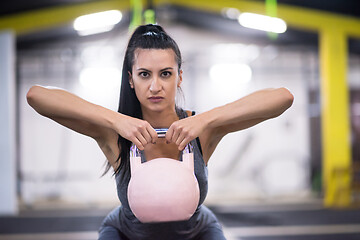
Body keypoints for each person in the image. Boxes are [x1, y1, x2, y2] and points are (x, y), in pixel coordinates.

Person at [26, 24, 294, 239]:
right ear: (130, 79)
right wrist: (116, 120)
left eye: (165, 74)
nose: (155, 86)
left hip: (198, 232)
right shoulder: (114, 133)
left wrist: (205, 119)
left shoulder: (202, 130)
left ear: (179, 76)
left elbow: (283, 98)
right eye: (144, 75)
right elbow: (36, 96)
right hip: (124, 232)